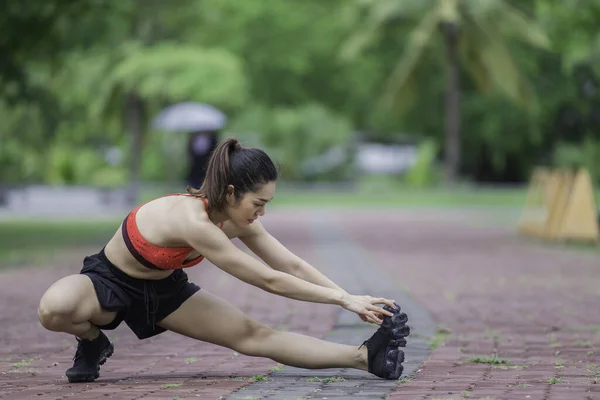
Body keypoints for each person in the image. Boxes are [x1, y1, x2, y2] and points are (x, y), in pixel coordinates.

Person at [37, 137, 410, 383]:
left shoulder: (235, 219)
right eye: (258, 203)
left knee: (254, 336)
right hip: (111, 282)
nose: (261, 213)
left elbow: (290, 265)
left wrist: (350, 297)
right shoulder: (191, 220)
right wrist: (343, 301)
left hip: (164, 290)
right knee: (54, 308)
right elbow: (267, 280)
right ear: (231, 192)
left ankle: (364, 357)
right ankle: (92, 342)